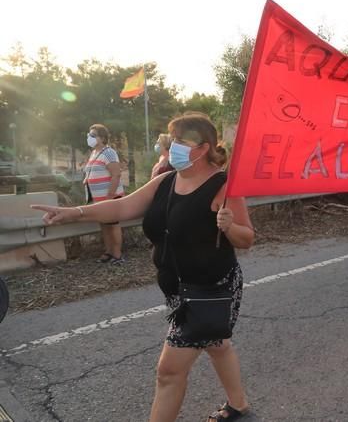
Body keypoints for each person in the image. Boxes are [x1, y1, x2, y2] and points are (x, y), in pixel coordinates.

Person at [32, 112, 254, 422]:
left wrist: (229, 226)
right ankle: (239, 406)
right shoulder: (166, 180)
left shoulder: (223, 185)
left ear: (202, 148)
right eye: (172, 139)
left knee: (168, 372)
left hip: (209, 287)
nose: (171, 146)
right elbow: (123, 206)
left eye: (180, 141)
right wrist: (74, 213)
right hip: (177, 287)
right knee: (217, 344)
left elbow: (246, 238)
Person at [84, 124, 125, 264]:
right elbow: (92, 171)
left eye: (93, 135)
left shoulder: (109, 152)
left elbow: (116, 174)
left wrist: (110, 197)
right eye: (89, 135)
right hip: (98, 199)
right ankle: (108, 252)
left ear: (102, 138)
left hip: (109, 198)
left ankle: (117, 255)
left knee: (113, 225)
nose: (89, 138)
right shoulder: (94, 153)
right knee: (104, 225)